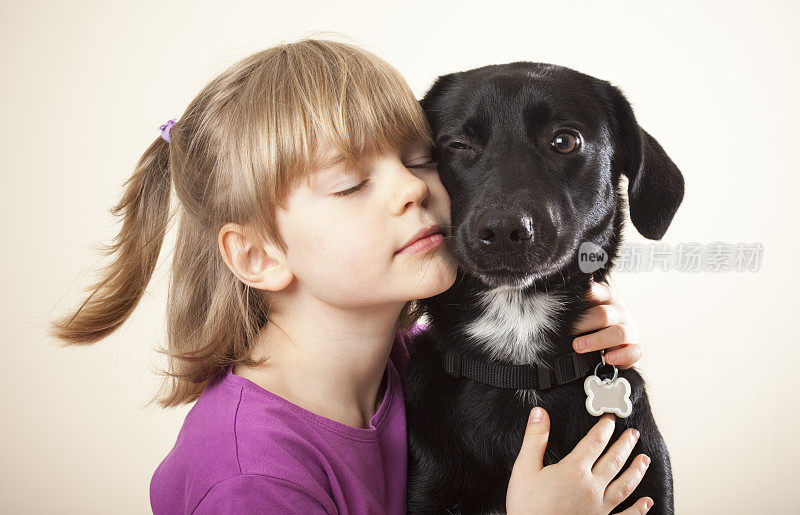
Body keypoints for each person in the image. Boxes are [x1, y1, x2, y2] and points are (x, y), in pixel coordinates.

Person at [50, 37, 652, 514]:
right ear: (260, 256)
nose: (414, 187)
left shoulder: (409, 368)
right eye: (350, 183)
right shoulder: (251, 480)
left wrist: (580, 327)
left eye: (421, 159)